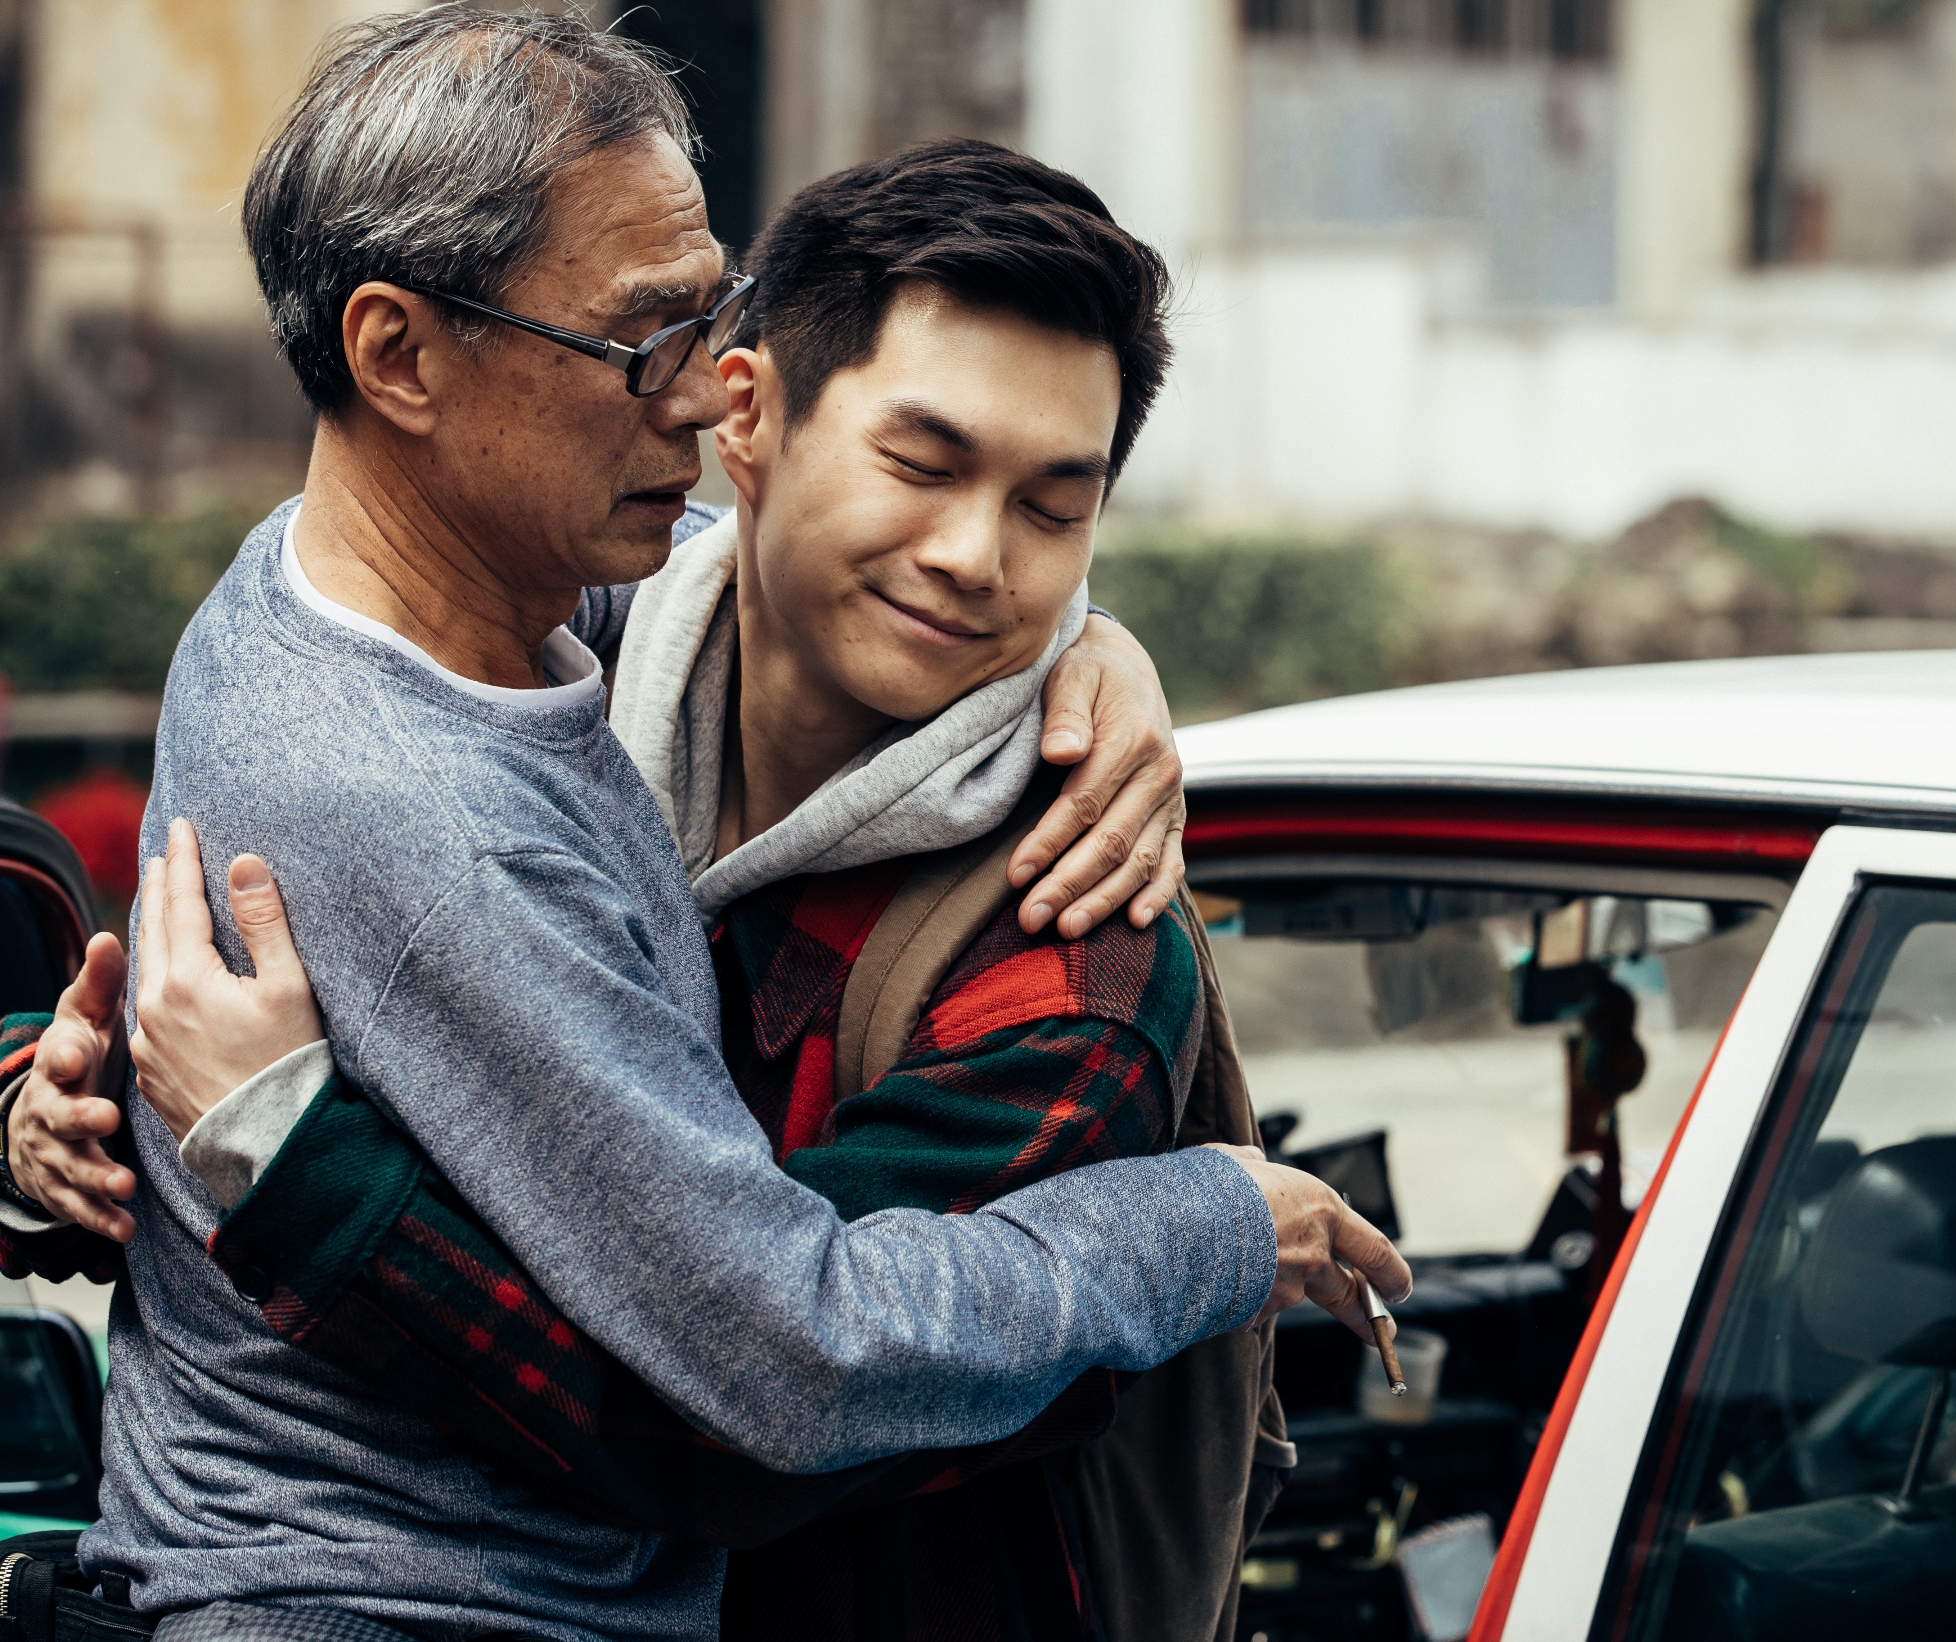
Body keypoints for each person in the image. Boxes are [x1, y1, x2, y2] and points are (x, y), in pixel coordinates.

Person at [0, 12, 1405, 1641]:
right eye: (644, 342)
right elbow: (781, 1367)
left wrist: (1091, 644)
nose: (974, 556)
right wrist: (1218, 1218)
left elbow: (752, 1387)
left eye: (1053, 506)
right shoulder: (461, 824)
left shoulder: (325, 595)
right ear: (397, 361)